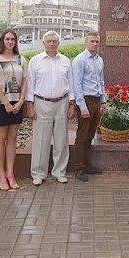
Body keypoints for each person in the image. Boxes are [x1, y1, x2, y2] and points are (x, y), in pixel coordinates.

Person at [25, 31, 76, 186]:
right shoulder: (35, 61)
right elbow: (30, 85)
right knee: (41, 140)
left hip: (62, 102)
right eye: (49, 41)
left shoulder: (66, 61)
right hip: (42, 102)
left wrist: (72, 104)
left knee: (61, 139)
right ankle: (38, 173)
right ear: (44, 43)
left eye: (54, 41)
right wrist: (30, 106)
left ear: (58, 43)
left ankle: (59, 172)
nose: (52, 44)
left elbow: (71, 83)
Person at [0, 29, 27, 191]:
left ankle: (11, 174)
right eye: (7, 39)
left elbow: (25, 81)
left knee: (13, 138)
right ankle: (1, 174)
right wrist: (5, 102)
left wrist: (20, 101)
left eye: (13, 39)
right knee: (1, 138)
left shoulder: (21, 59)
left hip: (17, 103)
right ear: (2, 40)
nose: (10, 42)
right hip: (0, 103)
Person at [72, 32, 107, 182]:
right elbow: (77, 84)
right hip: (85, 100)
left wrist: (103, 101)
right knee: (82, 136)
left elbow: (101, 82)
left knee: (90, 135)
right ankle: (79, 168)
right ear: (86, 42)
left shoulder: (99, 60)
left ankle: (87, 165)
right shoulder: (80, 60)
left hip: (96, 100)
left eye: (97, 41)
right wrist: (82, 106)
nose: (95, 44)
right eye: (92, 41)